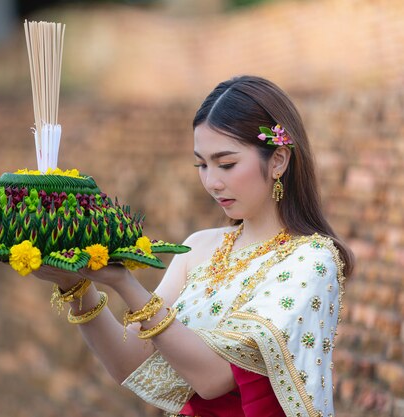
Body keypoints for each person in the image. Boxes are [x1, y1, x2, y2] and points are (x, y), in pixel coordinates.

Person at [33, 75, 354, 417]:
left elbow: (214, 379)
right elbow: (131, 365)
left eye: (227, 164)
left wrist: (124, 283)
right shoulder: (199, 247)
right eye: (202, 165)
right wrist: (75, 286)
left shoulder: (311, 260)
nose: (212, 182)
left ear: (278, 160)